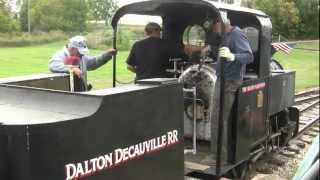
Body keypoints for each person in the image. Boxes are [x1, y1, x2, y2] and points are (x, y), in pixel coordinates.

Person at [208, 19, 254, 163]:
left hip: (230, 81)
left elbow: (249, 56)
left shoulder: (237, 34)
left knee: (219, 118)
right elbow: (224, 53)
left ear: (221, 23)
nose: (214, 30)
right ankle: (217, 154)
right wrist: (211, 49)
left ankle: (218, 157)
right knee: (216, 118)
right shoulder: (226, 36)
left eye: (214, 26)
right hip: (223, 79)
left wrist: (233, 56)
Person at [49, 36, 117, 90]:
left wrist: (106, 55)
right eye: (79, 52)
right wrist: (72, 68)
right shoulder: (61, 54)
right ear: (72, 49)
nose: (82, 55)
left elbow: (93, 63)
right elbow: (53, 65)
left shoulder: (81, 56)